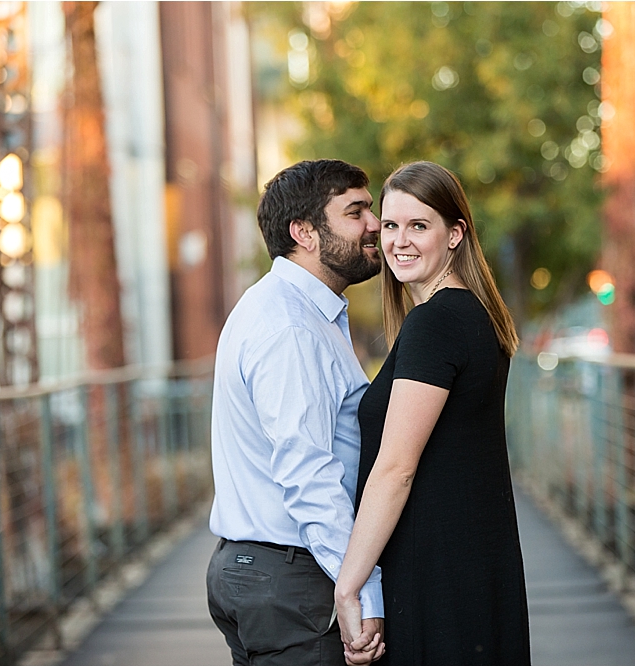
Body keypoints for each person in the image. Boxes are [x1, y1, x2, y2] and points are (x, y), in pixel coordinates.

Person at [334, 161, 531, 665]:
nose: (400, 240)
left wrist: (349, 584)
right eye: (391, 225)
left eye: (419, 225)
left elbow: (395, 468)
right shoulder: (471, 314)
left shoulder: (436, 322)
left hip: (437, 576)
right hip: (470, 567)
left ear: (455, 235)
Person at [207, 159, 387, 666]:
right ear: (304, 232)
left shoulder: (289, 308)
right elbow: (307, 472)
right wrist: (361, 592)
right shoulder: (291, 327)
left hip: (263, 571)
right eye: (356, 212)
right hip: (291, 579)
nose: (374, 224)